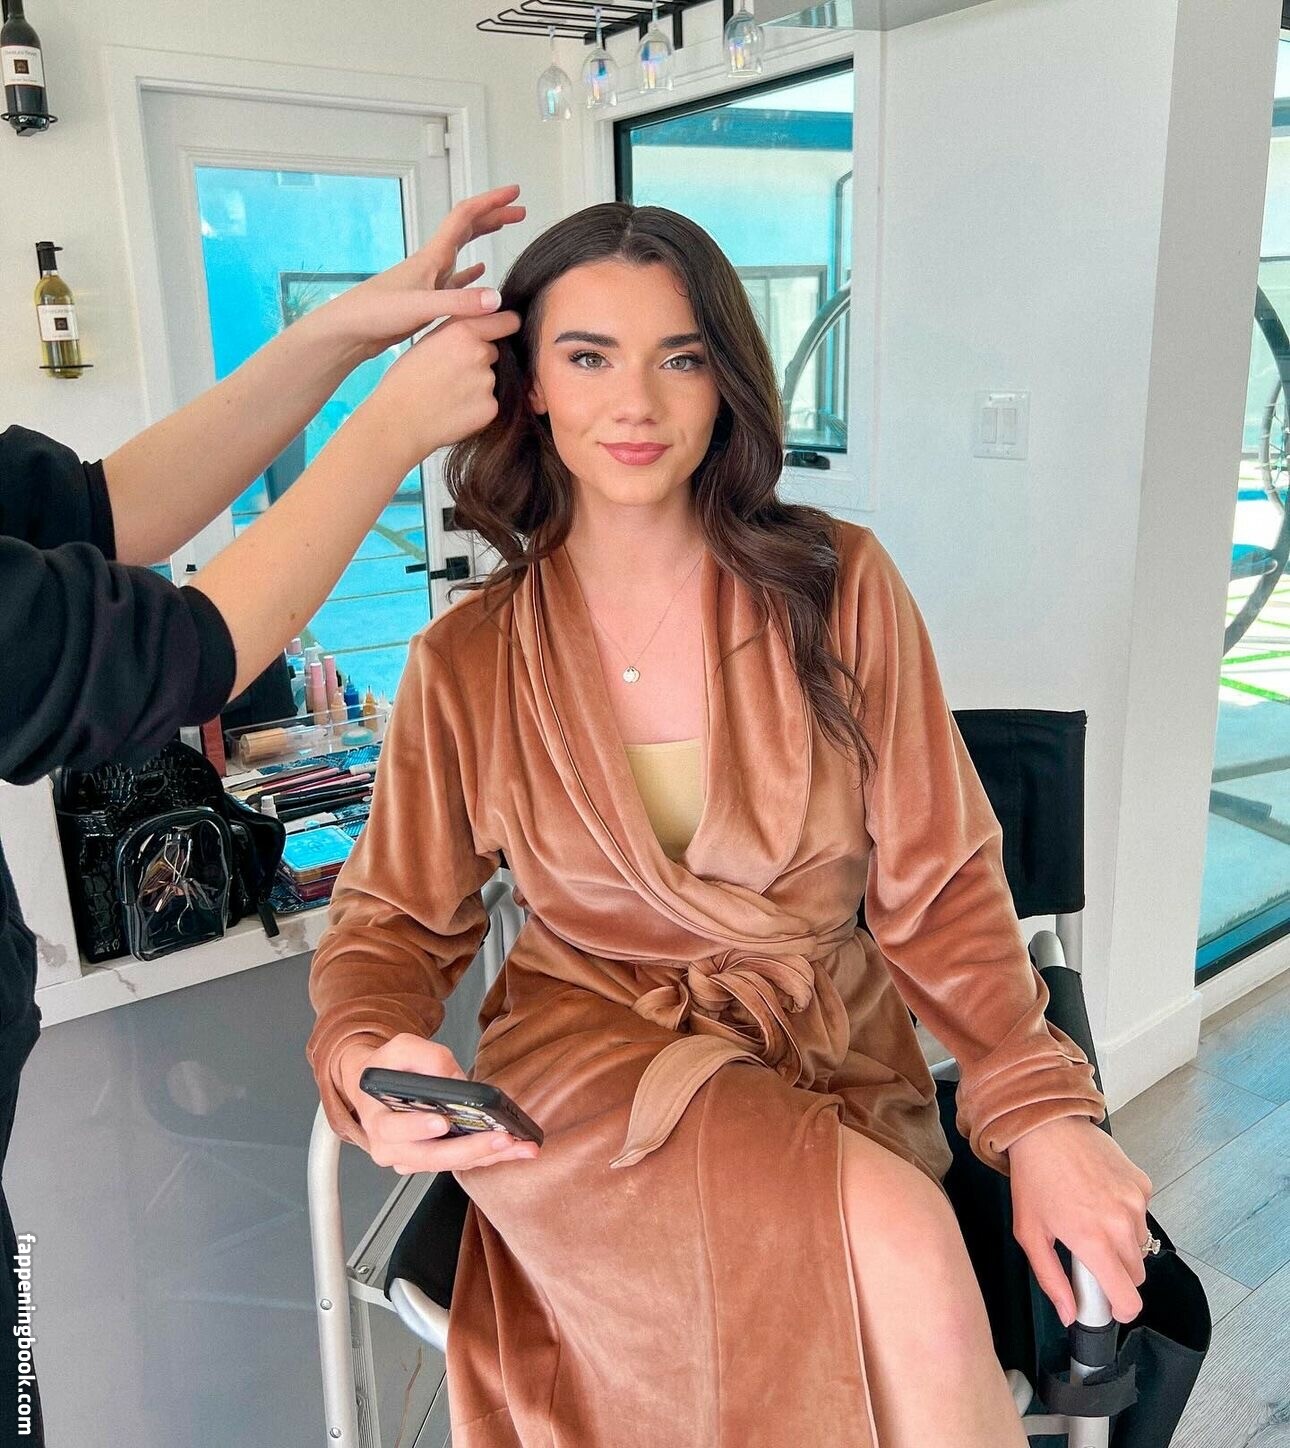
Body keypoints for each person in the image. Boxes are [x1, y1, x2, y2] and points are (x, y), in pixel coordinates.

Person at [306, 202, 1156, 1448]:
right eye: (589, 355)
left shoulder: (838, 588)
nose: (636, 401)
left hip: (826, 1055)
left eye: (682, 356)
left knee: (892, 1265)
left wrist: (1041, 1108)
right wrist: (362, 1049)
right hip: (589, 1072)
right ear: (530, 383)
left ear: (726, 383)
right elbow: (388, 922)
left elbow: (941, 887)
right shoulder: (467, 659)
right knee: (905, 1242)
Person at [0, 182, 527, 1444]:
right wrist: (386, 426)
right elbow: (183, 649)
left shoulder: (841, 604)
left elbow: (109, 507)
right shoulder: (476, 656)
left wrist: (347, 327)